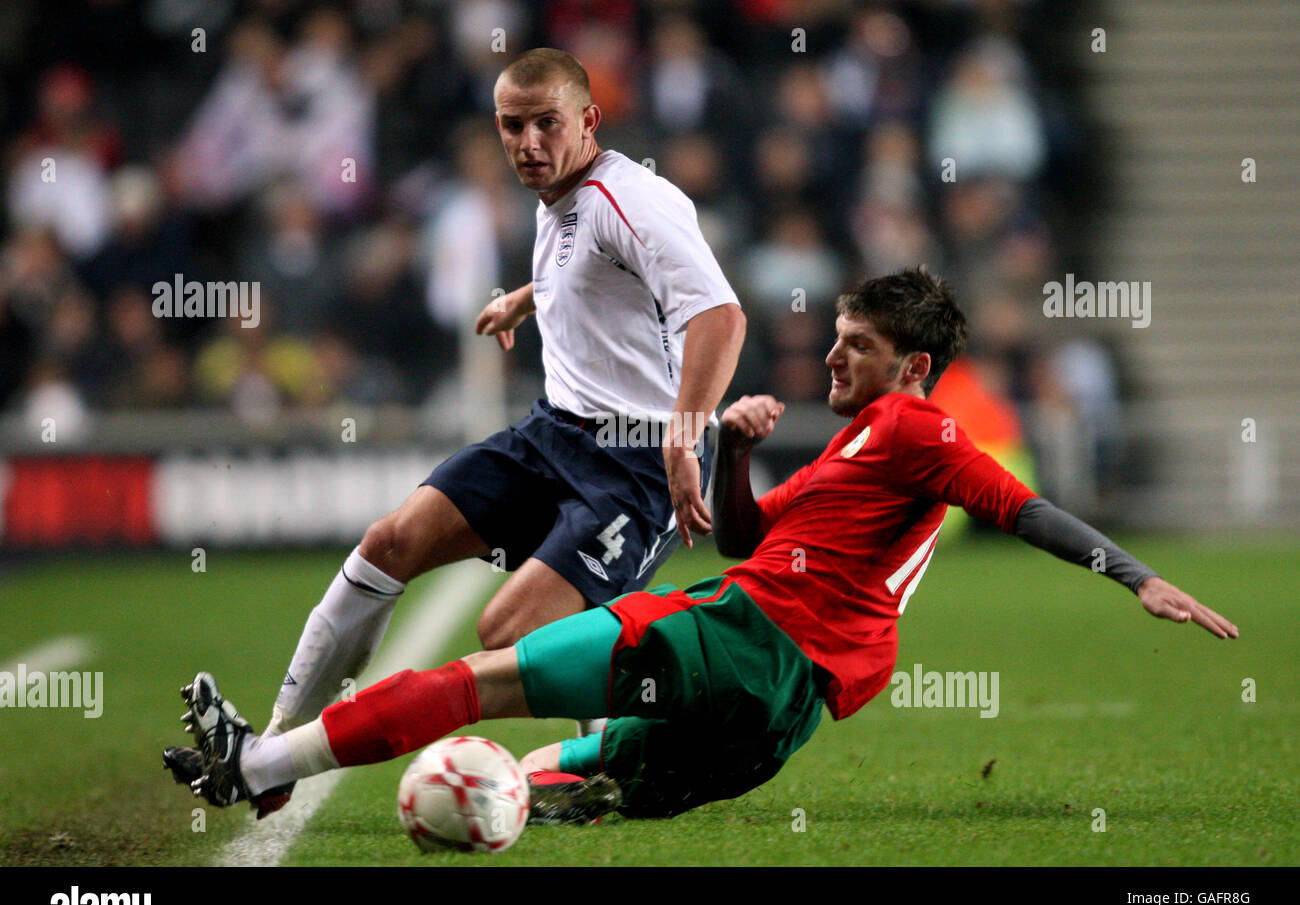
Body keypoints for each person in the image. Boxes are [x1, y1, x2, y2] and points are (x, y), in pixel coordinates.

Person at [169, 267, 1237, 821]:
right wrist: (727, 450)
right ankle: (519, 795)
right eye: (837, 334)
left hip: (748, 639)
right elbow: (745, 534)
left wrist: (1134, 576)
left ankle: (259, 762)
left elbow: (1021, 509)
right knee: (559, 771)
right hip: (778, 720)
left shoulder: (921, 428)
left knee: (475, 681)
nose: (833, 353)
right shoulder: (860, 448)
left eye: (858, 346)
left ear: (912, 367)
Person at [167, 47, 747, 817]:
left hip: (637, 466)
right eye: (513, 127)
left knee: (510, 631)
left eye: (547, 124)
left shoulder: (633, 198)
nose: (528, 142)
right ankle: (275, 746)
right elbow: (599, 273)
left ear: (589, 120)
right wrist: (526, 299)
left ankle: (614, 756)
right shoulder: (564, 198)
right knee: (390, 542)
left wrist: (683, 436)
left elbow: (720, 314)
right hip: (555, 435)